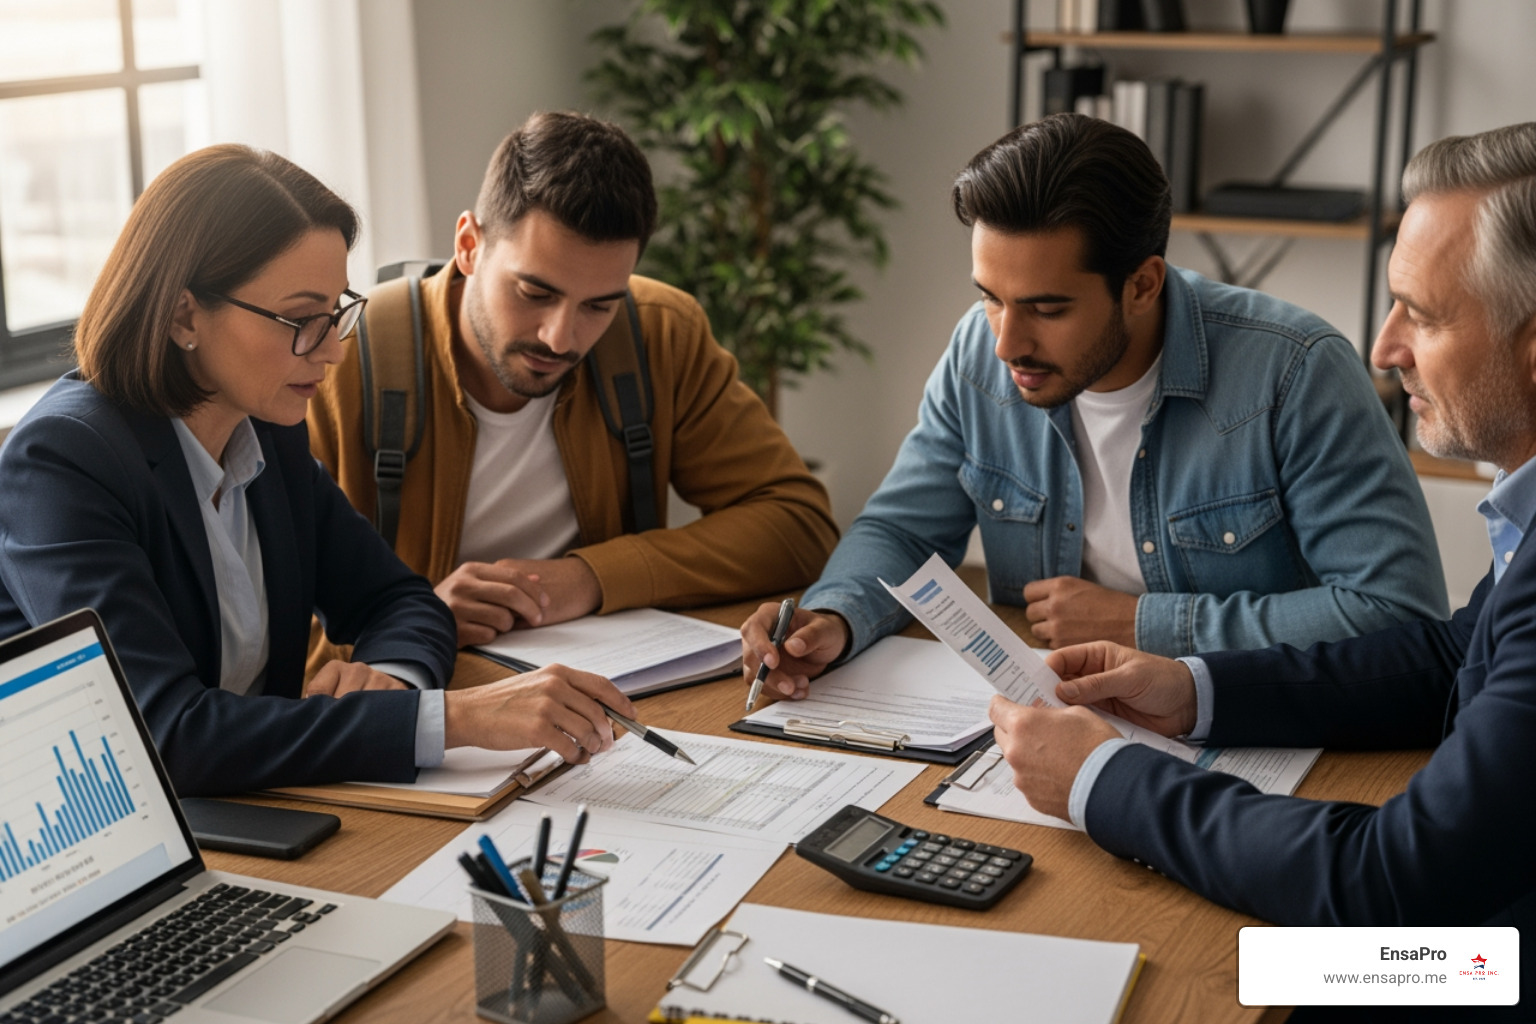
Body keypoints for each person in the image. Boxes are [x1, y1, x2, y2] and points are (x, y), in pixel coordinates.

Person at [987, 122, 1536, 967]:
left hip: (1486, 973)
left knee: (1207, 982)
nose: (1386, 348)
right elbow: (1452, 656)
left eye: (1420, 317)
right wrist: (1192, 689)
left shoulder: (1291, 367)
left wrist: (1103, 780)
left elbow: (1388, 883)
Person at [0, 145, 637, 797]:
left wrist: (391, 677)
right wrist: (453, 718)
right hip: (107, 847)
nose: (332, 349)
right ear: (184, 314)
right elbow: (161, 734)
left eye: (336, 311)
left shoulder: (266, 430)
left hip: (259, 806)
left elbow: (399, 599)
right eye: (302, 319)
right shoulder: (65, 459)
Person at [742, 113, 1446, 700]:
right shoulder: (976, 352)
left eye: (1047, 308)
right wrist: (833, 615)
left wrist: (1146, 624)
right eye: (990, 297)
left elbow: (1399, 617)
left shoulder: (1294, 371)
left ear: (1142, 285)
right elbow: (902, 531)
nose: (1006, 342)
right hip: (1053, 715)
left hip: (1247, 727)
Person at [307, 111, 839, 650]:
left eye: (599, 305)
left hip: (602, 689)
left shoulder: (658, 332)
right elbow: (257, 613)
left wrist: (591, 577)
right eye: (535, 293)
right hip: (425, 697)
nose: (561, 338)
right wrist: (412, 617)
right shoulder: (338, 356)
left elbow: (797, 527)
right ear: (469, 245)